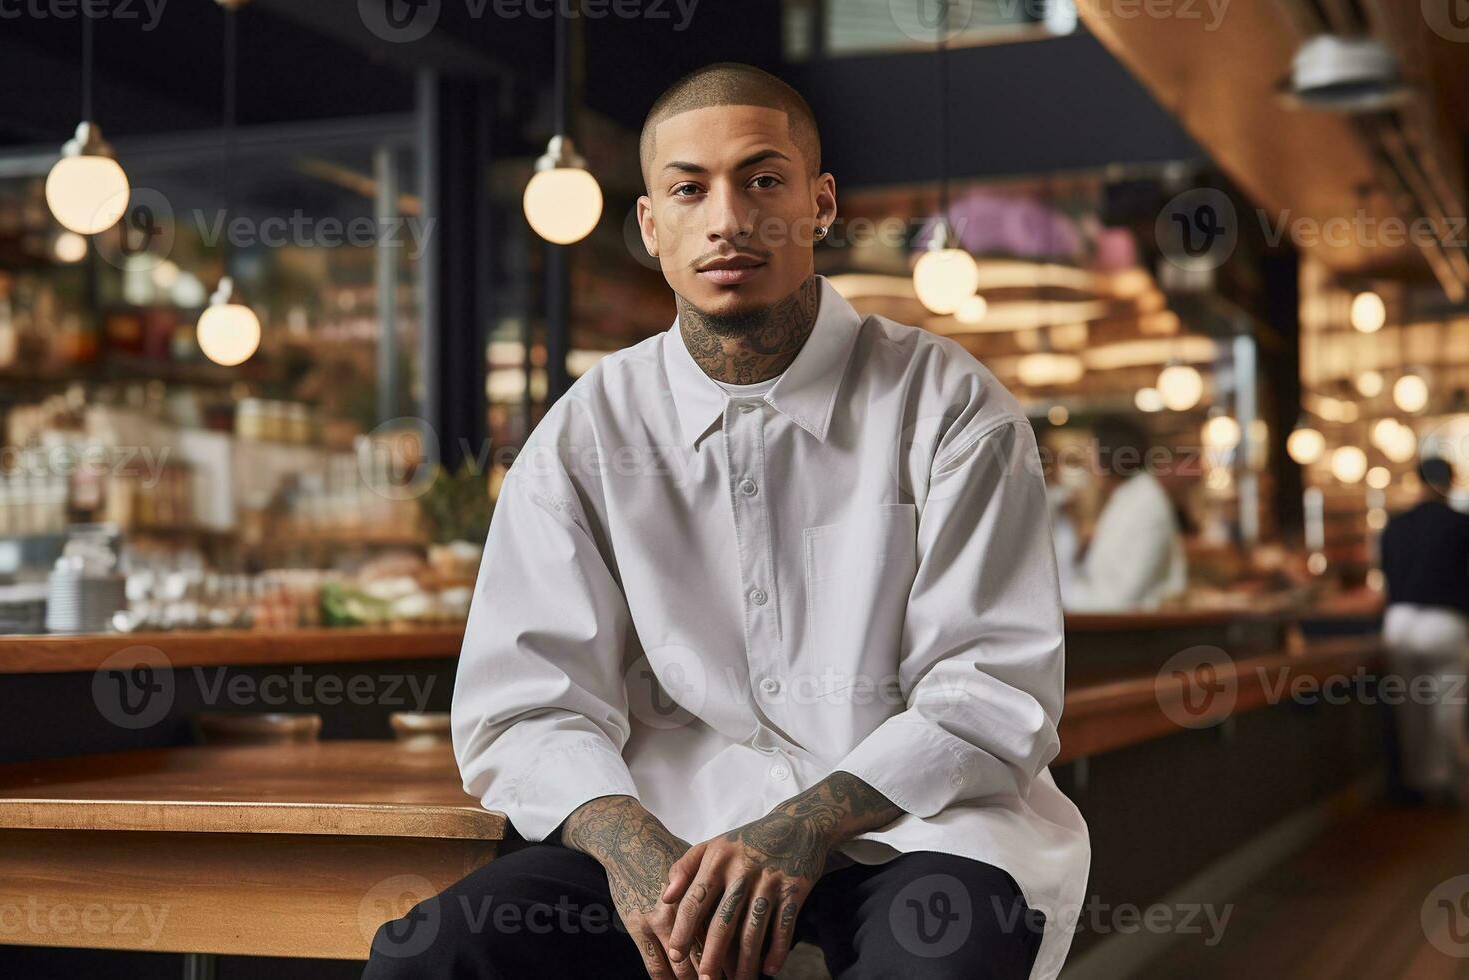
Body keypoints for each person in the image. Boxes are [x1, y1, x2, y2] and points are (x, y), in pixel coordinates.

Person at [365, 62, 1088, 980]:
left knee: (944, 959)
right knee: (433, 954)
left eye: (762, 180)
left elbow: (990, 687)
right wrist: (630, 849)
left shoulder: (946, 405)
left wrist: (805, 823)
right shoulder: (588, 431)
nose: (728, 219)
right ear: (650, 224)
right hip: (672, 844)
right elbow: (526, 704)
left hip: (910, 833)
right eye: (689, 188)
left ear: (819, 203)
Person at [1378, 455, 1469, 805]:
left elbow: (1387, 580)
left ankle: (1424, 785)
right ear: (1450, 482)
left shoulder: (1395, 526)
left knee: (1412, 713)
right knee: (1447, 709)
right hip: (1445, 622)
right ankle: (1452, 783)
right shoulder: (1461, 524)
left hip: (1399, 623)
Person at [1061, 414, 1187, 612]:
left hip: (1139, 632)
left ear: (1110, 452)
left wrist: (1061, 595)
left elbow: (1120, 600)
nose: (1087, 461)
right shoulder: (1128, 497)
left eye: (1090, 451)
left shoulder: (1145, 503)